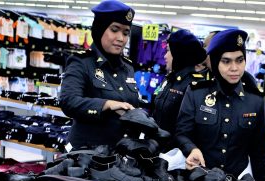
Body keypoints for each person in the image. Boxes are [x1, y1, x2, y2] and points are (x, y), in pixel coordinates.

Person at [176, 29, 265, 181]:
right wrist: (192, 149)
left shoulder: (256, 100)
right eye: (226, 61)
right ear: (216, 61)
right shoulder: (196, 93)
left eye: (240, 60)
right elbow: (182, 132)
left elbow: (259, 152)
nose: (234, 68)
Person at [60, 0, 140, 149]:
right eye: (114, 30)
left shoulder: (127, 67)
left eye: (126, 33)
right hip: (87, 154)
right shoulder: (81, 62)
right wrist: (107, 104)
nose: (121, 38)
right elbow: (68, 101)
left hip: (120, 153)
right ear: (100, 29)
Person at [150, 29, 208, 136]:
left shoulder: (196, 85)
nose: (165, 56)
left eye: (168, 50)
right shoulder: (169, 79)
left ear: (178, 54)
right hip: (156, 143)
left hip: (176, 146)